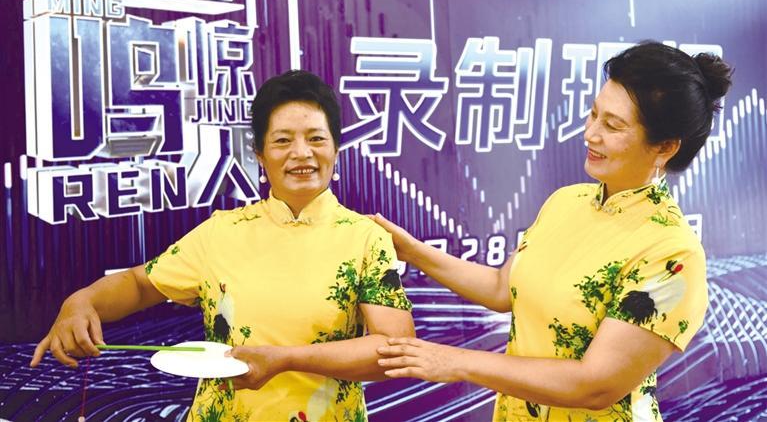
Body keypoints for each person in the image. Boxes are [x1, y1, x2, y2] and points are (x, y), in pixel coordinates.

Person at [374, 42, 733, 421]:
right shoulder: (566, 202)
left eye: (612, 125)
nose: (590, 134)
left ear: (665, 147)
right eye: (593, 114)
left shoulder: (672, 253)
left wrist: (459, 363)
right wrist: (410, 250)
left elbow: (596, 384)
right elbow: (501, 287)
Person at [30, 70, 415, 421]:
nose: (301, 153)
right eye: (282, 140)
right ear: (260, 154)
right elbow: (139, 284)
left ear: (335, 148)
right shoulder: (222, 231)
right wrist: (82, 302)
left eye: (316, 138)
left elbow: (393, 350)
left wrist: (285, 359)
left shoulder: (365, 238)